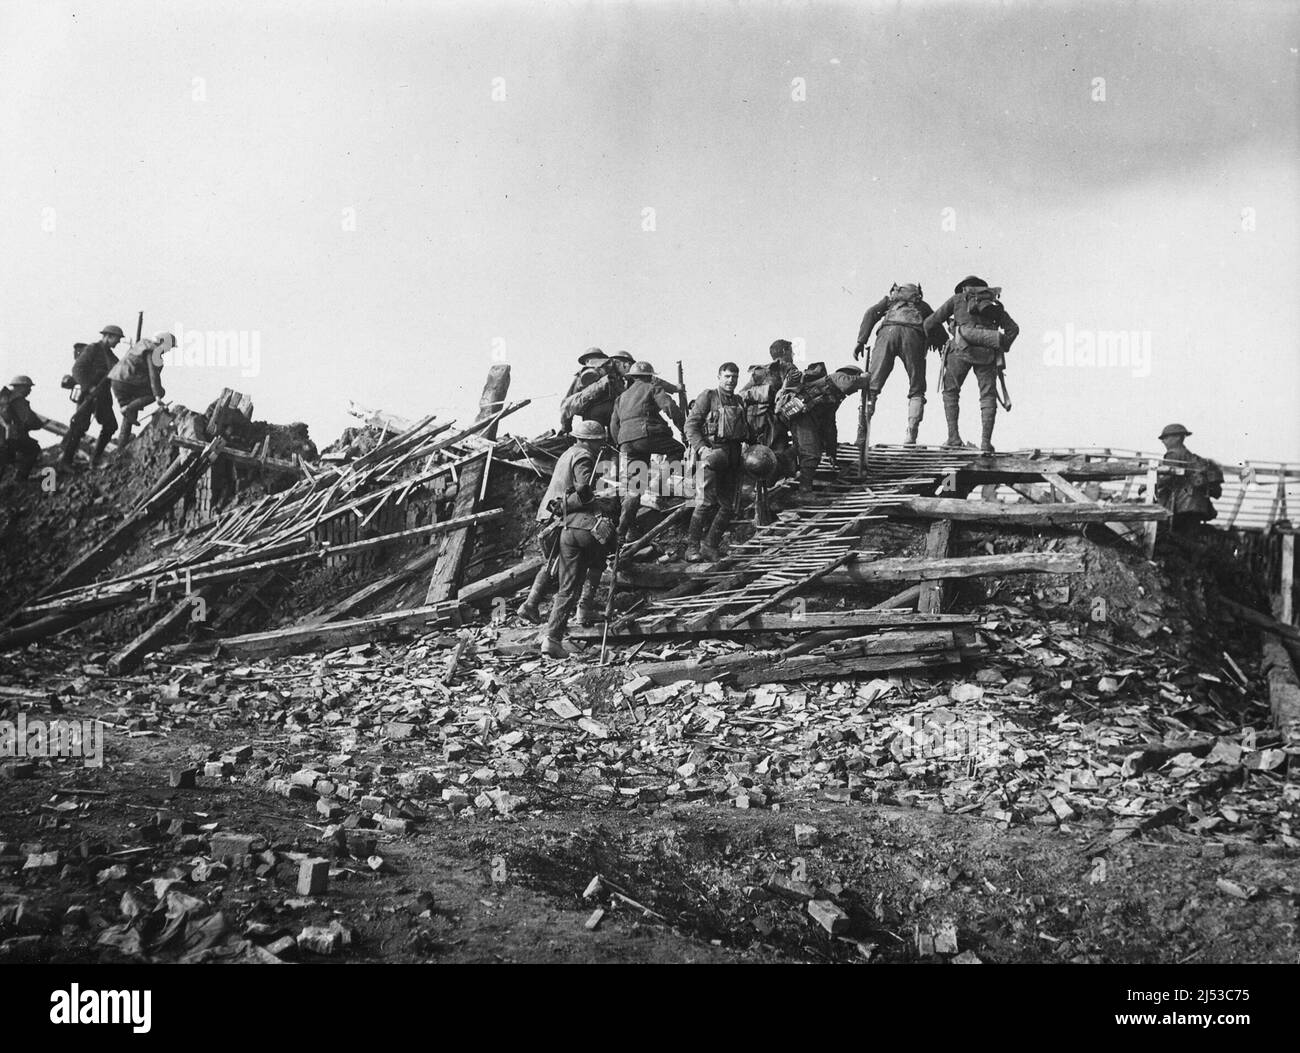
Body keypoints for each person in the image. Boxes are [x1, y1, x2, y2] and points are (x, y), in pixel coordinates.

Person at [538, 419, 620, 658]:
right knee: (602, 552)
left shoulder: (567, 453)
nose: (599, 448)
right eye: (597, 443)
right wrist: (594, 500)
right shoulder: (584, 456)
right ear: (589, 441)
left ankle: (552, 638)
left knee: (567, 585)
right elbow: (583, 489)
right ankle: (585, 607)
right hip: (584, 527)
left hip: (566, 529)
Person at [923, 276, 1019, 453]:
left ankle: (953, 438)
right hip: (988, 354)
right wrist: (1001, 344)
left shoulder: (957, 299)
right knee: (988, 396)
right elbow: (1014, 328)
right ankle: (985, 443)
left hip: (960, 350)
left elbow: (930, 322)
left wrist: (942, 337)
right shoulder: (993, 305)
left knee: (950, 391)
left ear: (964, 289)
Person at [854, 282, 941, 445]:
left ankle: (862, 435)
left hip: (887, 333)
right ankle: (911, 435)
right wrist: (944, 347)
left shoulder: (890, 301)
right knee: (917, 388)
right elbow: (936, 322)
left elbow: (871, 313)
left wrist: (861, 340)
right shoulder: (922, 305)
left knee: (871, 385)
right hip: (913, 336)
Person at [610, 360, 685, 542]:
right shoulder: (652, 387)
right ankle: (658, 485)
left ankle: (622, 530)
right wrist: (683, 428)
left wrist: (621, 442)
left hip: (626, 442)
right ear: (650, 376)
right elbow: (670, 407)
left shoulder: (621, 397)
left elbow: (614, 424)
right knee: (678, 449)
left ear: (632, 377)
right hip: (648, 434)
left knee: (634, 488)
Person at [684, 361, 750, 561]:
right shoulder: (708, 396)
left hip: (732, 456)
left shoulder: (738, 400)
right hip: (712, 454)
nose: (731, 381)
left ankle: (710, 546)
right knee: (705, 502)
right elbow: (691, 426)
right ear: (719, 377)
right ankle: (691, 548)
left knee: (728, 505)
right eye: (727, 376)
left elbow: (744, 429)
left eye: (735, 377)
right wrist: (702, 448)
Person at [785, 364, 863, 498]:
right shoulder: (838, 377)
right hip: (803, 417)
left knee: (799, 451)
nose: (855, 392)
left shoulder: (835, 394)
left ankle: (777, 467)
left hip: (806, 418)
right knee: (811, 454)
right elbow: (849, 383)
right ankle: (804, 492)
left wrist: (831, 451)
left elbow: (830, 426)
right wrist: (866, 380)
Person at [59, 324, 125, 469]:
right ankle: (65, 462)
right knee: (79, 427)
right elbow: (77, 369)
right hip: (88, 395)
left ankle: (95, 460)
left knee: (110, 425)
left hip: (102, 396)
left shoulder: (112, 357)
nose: (118, 342)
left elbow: (120, 374)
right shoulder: (93, 349)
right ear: (108, 336)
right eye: (117, 339)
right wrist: (89, 387)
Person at [1154, 423, 1223, 533]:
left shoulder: (1173, 454)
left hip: (1183, 504)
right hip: (1197, 504)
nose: (1163, 441)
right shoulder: (1189, 455)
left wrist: (1150, 485)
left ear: (1177, 437)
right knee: (1191, 536)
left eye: (1166, 438)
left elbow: (1166, 478)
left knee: (1178, 537)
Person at [109, 332, 173, 446]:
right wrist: (157, 396)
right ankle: (128, 409)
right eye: (168, 347)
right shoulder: (153, 351)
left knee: (130, 409)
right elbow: (153, 375)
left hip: (116, 380)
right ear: (162, 343)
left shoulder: (141, 344)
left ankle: (126, 408)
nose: (168, 350)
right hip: (127, 381)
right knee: (160, 391)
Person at [0, 375, 43, 482]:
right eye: (28, 387)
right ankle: (20, 479)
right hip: (10, 438)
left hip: (3, 438)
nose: (30, 390)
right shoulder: (18, 400)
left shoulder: (4, 399)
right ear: (20, 387)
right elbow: (29, 420)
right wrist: (39, 424)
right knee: (33, 448)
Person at [559, 366, 601, 432]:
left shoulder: (608, 376)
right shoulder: (581, 376)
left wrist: (565, 428)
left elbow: (567, 405)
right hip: (591, 414)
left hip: (591, 416)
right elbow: (568, 404)